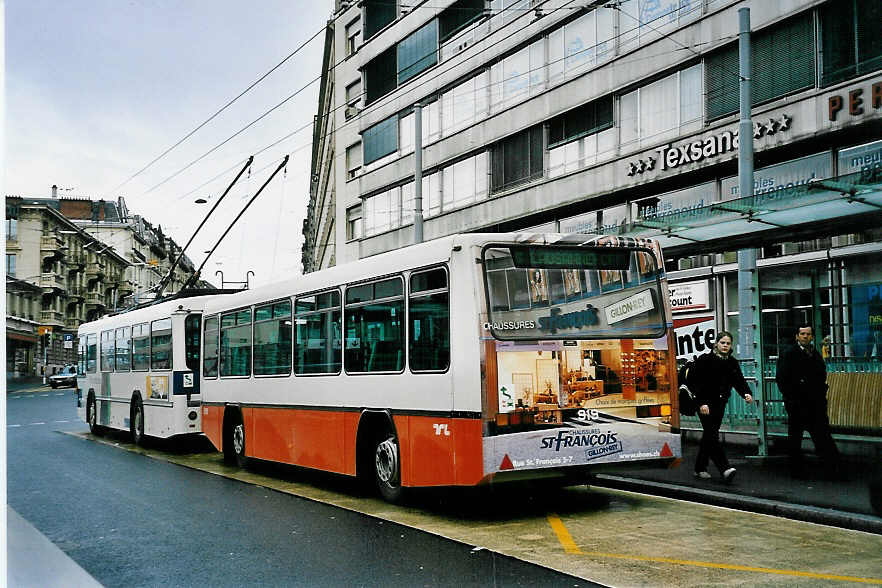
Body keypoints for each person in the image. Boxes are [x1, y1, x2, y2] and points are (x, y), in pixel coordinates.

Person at [687, 331, 753, 482]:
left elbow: (739, 381)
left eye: (728, 343)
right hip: (704, 404)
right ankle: (725, 469)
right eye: (722, 343)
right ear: (716, 343)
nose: (725, 346)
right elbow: (695, 382)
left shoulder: (732, 362)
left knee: (709, 435)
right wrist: (701, 403)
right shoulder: (705, 360)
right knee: (712, 434)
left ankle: (699, 468)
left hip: (720, 403)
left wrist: (746, 394)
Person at [775, 325, 840, 479]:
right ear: (797, 336)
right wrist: (791, 397)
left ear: (812, 336)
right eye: (802, 334)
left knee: (822, 436)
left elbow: (821, 375)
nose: (805, 336)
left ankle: (833, 470)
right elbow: (782, 378)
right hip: (797, 403)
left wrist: (821, 392)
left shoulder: (815, 354)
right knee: (796, 439)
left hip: (815, 403)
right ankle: (797, 471)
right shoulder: (789, 354)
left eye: (808, 334)